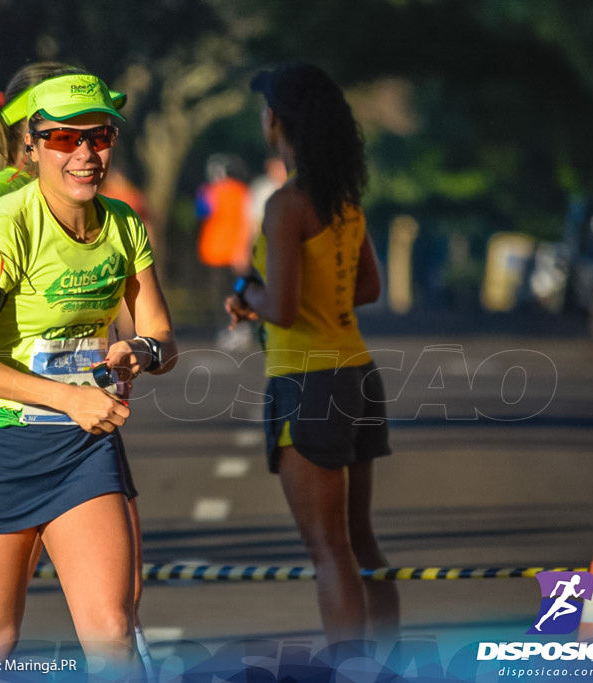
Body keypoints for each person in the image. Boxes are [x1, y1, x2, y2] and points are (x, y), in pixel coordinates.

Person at [0, 62, 157, 675]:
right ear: (33, 147)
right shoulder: (1, 227)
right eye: (66, 138)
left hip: (80, 450)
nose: (86, 153)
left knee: (114, 632)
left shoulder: (123, 223)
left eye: (100, 136)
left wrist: (139, 351)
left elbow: (160, 335)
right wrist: (68, 398)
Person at [225, 63, 398, 644]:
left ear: (276, 120)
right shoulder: (344, 199)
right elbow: (368, 287)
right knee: (360, 539)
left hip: (310, 382)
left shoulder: (286, 205)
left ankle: (350, 668)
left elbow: (282, 308)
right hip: (357, 372)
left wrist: (248, 291)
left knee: (328, 551)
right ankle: (386, 663)